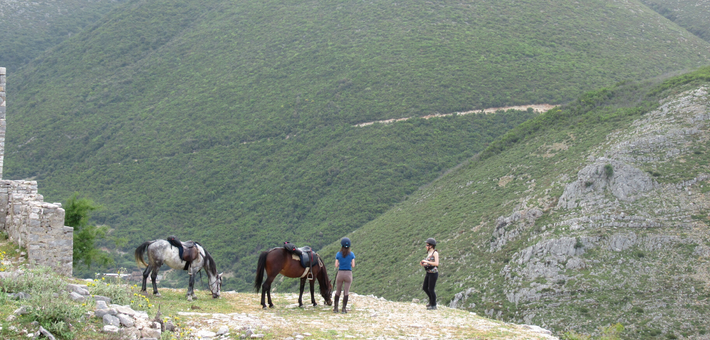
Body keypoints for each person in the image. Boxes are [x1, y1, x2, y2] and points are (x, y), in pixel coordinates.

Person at [333, 237, 355, 313]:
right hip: (348, 274)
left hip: (340, 273)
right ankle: (344, 309)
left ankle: (335, 308)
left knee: (338, 291)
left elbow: (336, 265)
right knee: (346, 292)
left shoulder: (338, 254)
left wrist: (340, 263)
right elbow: (353, 265)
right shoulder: (351, 254)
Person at [420, 237, 439, 310]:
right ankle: (431, 301)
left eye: (427, 245)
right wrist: (424, 264)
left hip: (433, 273)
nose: (426, 246)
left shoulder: (435, 253)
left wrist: (427, 262)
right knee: (425, 287)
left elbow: (436, 263)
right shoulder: (429, 253)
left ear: (431, 246)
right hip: (428, 272)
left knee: (431, 289)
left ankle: (434, 305)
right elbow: (430, 264)